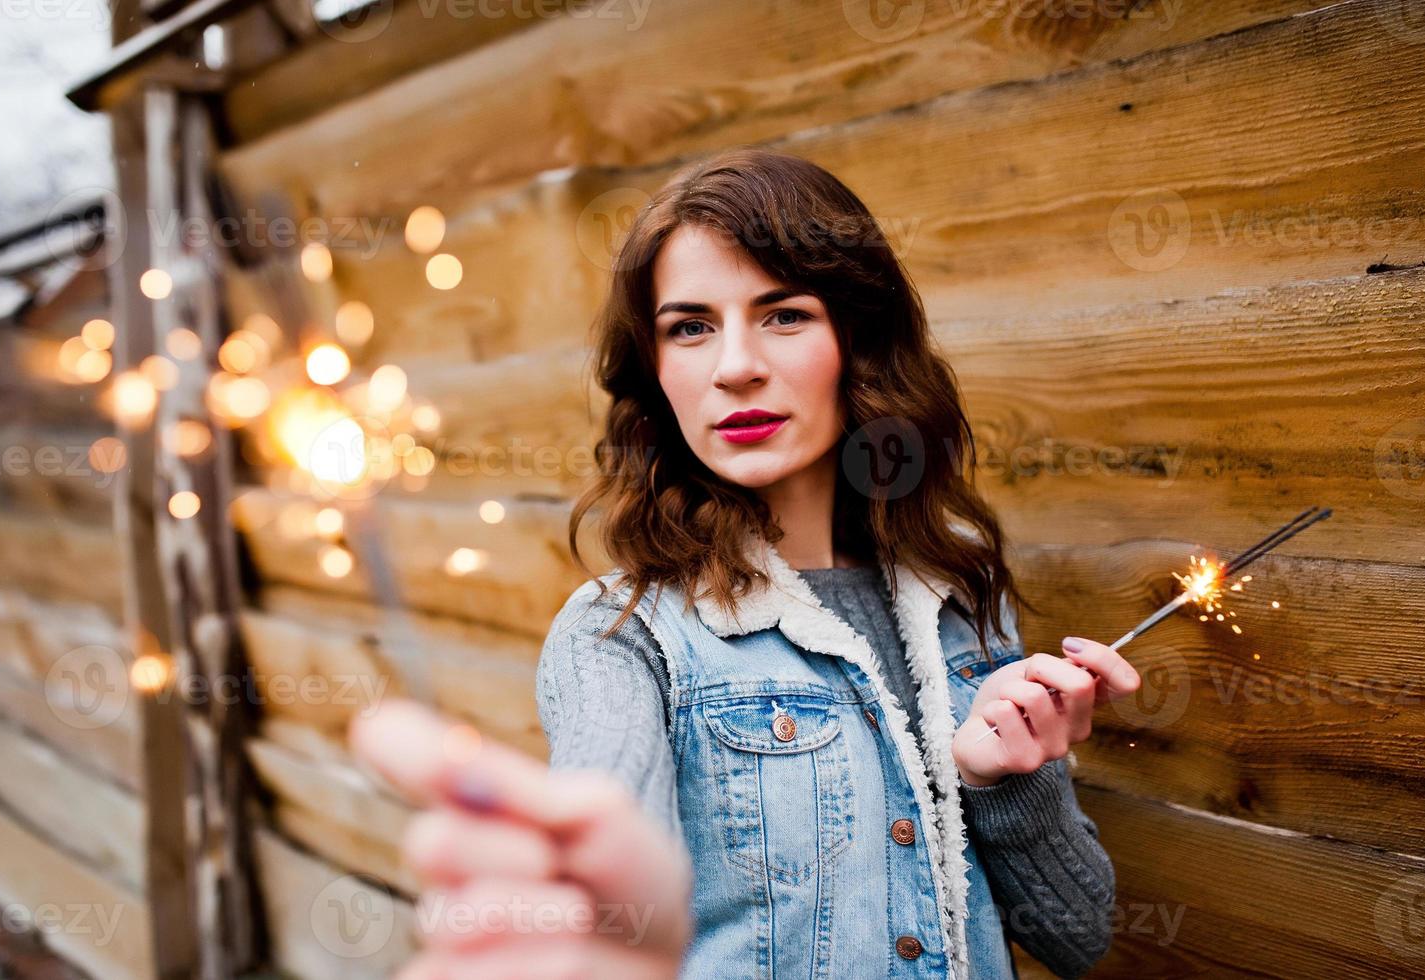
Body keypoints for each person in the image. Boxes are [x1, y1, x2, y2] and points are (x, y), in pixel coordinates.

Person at [350, 147, 1143, 979]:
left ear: (856, 341)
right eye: (689, 327)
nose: (734, 367)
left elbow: (1078, 936)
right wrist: (583, 901)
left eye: (783, 314)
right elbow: (607, 842)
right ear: (655, 373)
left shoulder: (960, 591)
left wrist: (1000, 780)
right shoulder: (622, 634)